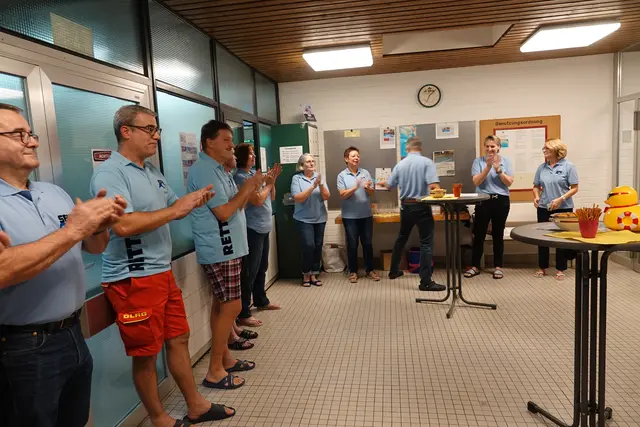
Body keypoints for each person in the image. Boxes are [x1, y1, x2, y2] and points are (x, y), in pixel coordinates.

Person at [90, 106, 233, 427]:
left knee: (179, 337)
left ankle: (195, 406)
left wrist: (193, 200)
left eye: (157, 130)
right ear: (126, 131)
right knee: (146, 353)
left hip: (160, 273)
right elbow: (122, 225)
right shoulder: (110, 173)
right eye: (149, 129)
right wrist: (176, 211)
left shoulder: (150, 169)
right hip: (133, 278)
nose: (156, 136)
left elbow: (173, 204)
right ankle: (159, 418)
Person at [0, 103, 127, 427]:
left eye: (31, 133)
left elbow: (94, 247)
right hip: (22, 347)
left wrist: (99, 226)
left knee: (76, 419)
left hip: (72, 332)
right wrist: (73, 230)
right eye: (19, 134)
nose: (32, 141)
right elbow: (3, 270)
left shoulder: (53, 192)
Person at [188, 120, 263, 391]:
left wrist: (249, 188)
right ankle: (214, 371)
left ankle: (225, 359)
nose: (232, 145)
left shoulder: (220, 170)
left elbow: (237, 204)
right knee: (231, 306)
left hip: (230, 247)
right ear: (209, 142)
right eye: (226, 140)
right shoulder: (203, 171)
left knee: (222, 306)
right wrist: (248, 187)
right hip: (221, 248)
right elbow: (224, 212)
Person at [382, 136, 445, 292]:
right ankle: (425, 281)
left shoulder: (400, 164)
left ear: (407, 148)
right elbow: (434, 187)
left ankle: (393, 270)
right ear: (420, 148)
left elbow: (388, 185)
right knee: (426, 243)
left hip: (406, 207)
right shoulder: (427, 162)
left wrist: (380, 183)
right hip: (421, 206)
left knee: (401, 238)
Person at [233, 143, 282, 328]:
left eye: (254, 153)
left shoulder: (254, 174)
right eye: (250, 154)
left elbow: (272, 196)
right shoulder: (240, 177)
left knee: (262, 266)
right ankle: (244, 312)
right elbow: (258, 200)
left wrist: (272, 181)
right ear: (241, 157)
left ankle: (261, 299)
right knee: (249, 271)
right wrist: (267, 184)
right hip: (251, 229)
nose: (253, 156)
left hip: (263, 227)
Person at [465, 135, 514, 280]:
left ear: (498, 147)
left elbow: (509, 182)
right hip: (483, 200)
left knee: (498, 234)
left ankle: (498, 267)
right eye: (487, 146)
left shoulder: (506, 161)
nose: (489, 149)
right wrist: (487, 167)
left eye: (492, 146)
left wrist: (498, 170)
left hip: (501, 201)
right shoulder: (478, 162)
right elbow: (477, 182)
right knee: (479, 234)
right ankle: (475, 266)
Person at [533, 138, 579, 280]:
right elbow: (536, 186)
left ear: (556, 150)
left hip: (563, 207)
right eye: (544, 148)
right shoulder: (541, 168)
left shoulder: (568, 166)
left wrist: (561, 199)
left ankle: (560, 268)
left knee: (561, 238)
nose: (544, 150)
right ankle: (542, 267)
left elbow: (575, 188)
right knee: (542, 238)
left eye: (547, 148)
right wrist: (536, 196)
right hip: (544, 207)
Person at [337, 146, 379, 283]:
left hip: (366, 215)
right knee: (352, 244)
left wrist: (368, 188)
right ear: (346, 159)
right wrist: (355, 187)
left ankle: (370, 270)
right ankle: (353, 271)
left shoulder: (365, 173)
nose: (356, 158)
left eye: (358, 156)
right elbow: (342, 194)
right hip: (349, 217)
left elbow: (371, 192)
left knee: (368, 243)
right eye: (353, 156)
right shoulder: (342, 175)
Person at [291, 153, 330, 287]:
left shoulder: (319, 177)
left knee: (318, 246)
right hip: (303, 219)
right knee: (308, 245)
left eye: (313, 161)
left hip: (320, 218)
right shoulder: (297, 178)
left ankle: (314, 273)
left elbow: (326, 196)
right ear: (302, 165)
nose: (312, 163)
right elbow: (298, 198)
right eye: (308, 162)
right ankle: (306, 274)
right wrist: (313, 186)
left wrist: (321, 185)